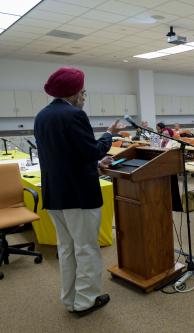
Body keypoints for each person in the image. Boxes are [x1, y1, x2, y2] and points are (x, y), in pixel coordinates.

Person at [34, 67, 124, 315]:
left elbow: (65, 156)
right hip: (79, 197)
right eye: (83, 92)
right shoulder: (74, 115)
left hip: (56, 194)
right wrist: (109, 136)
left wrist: (94, 166)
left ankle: (70, 297)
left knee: (66, 249)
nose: (84, 96)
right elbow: (92, 150)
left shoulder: (42, 116)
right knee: (86, 249)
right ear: (74, 93)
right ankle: (85, 300)